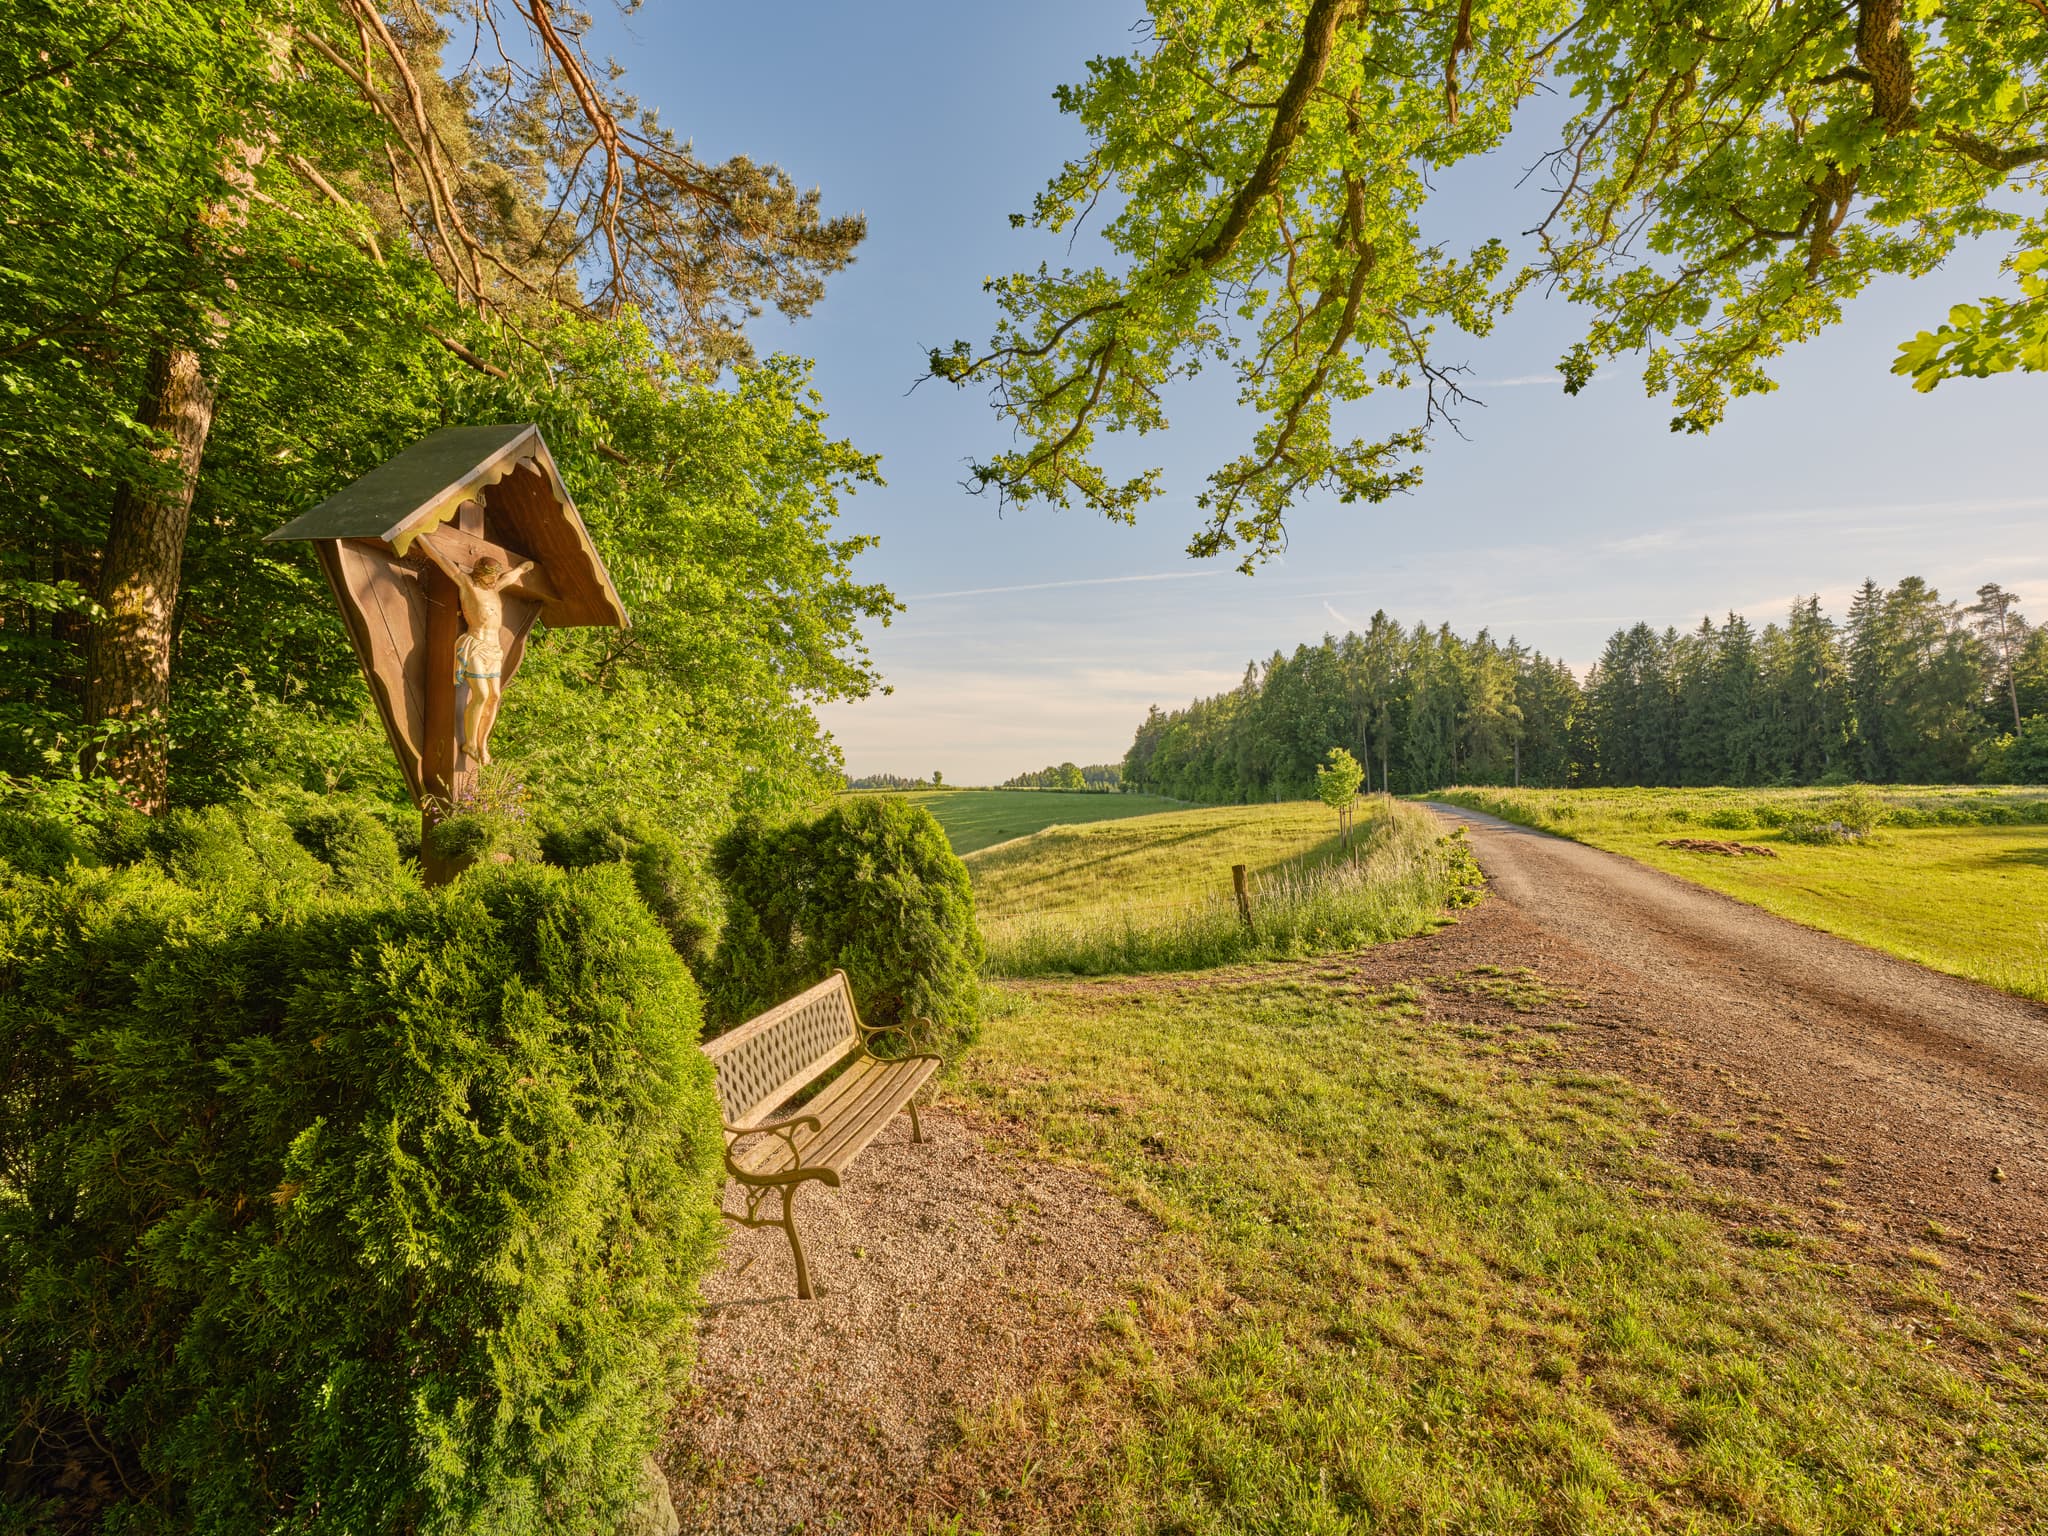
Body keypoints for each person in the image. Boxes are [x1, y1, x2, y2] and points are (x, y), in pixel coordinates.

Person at [416, 532, 535, 764]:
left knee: (494, 696)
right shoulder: (468, 584)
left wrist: (522, 569)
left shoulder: (495, 588)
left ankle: (482, 744)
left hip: (493, 649)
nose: (493, 581)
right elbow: (441, 559)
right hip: (475, 644)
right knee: (481, 694)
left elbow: (510, 577)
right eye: (490, 577)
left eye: (495, 577)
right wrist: (420, 537)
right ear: (481, 574)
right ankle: (469, 742)